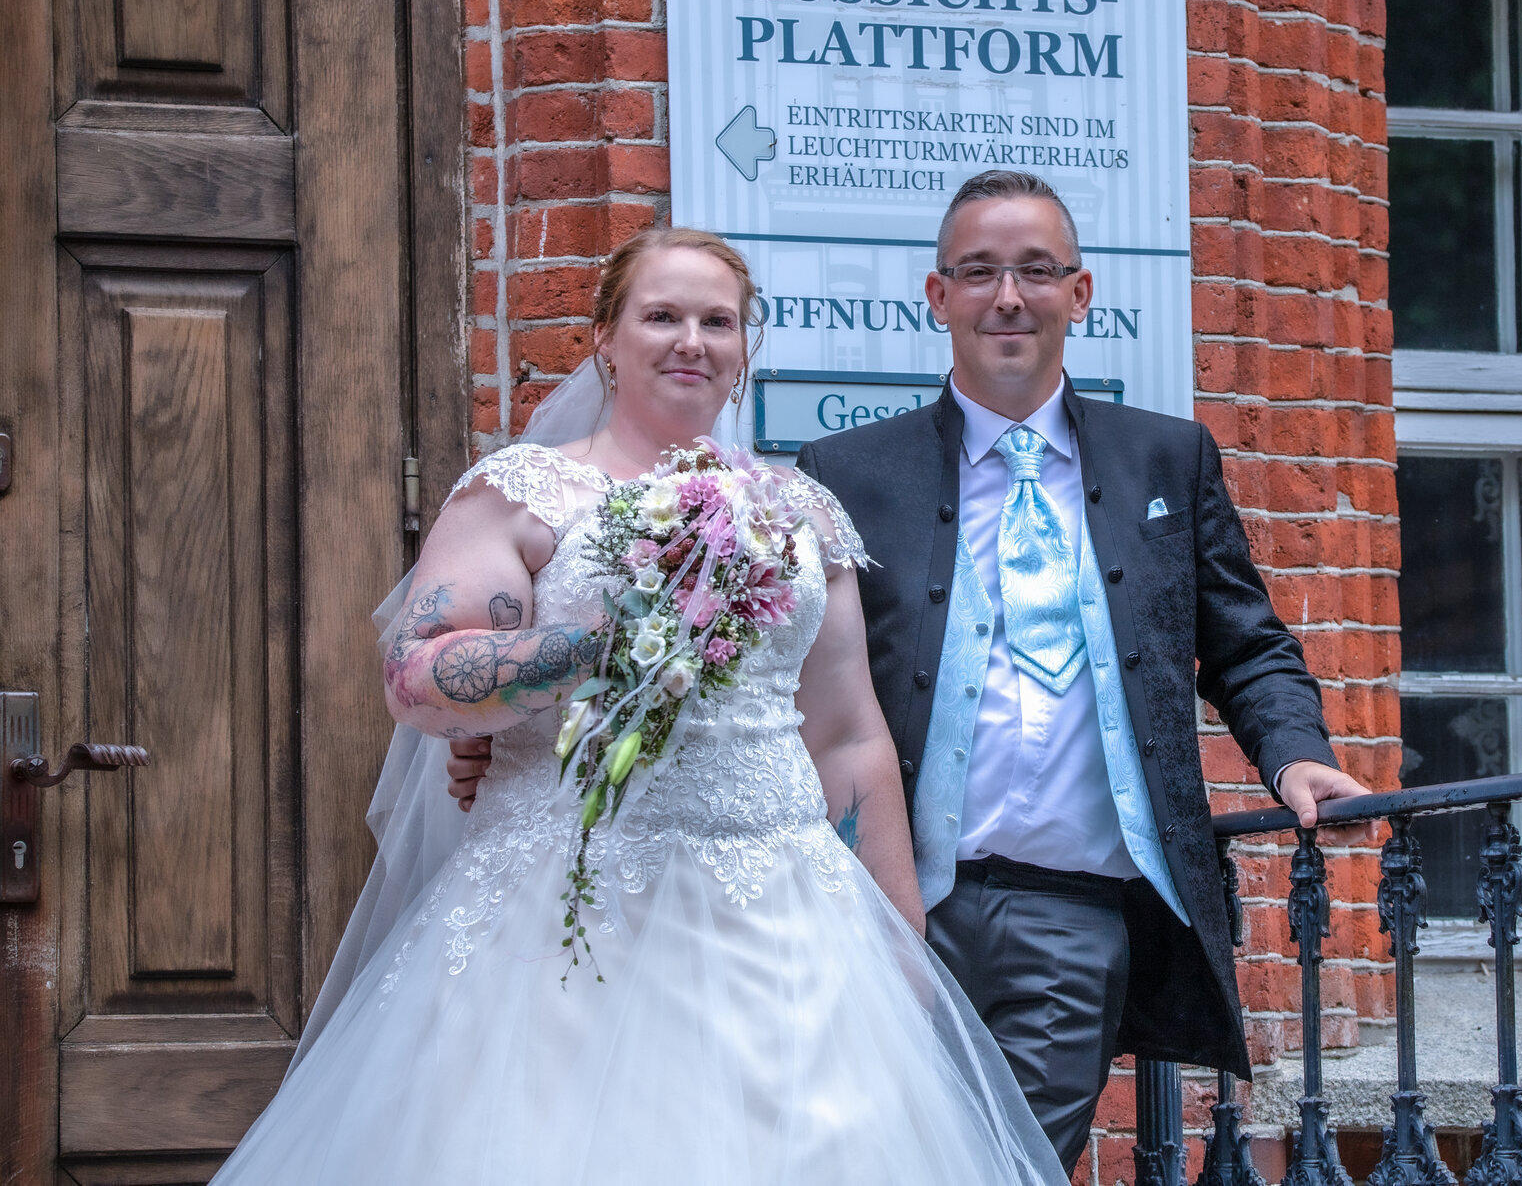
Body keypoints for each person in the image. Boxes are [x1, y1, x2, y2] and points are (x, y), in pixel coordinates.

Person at [212, 227, 1065, 1184]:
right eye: (661, 315)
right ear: (604, 340)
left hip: (779, 920)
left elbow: (849, 733)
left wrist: (901, 947)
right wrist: (594, 644)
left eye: (719, 321)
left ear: (745, 353)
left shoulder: (800, 513)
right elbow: (417, 672)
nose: (690, 340)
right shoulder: (523, 493)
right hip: (565, 920)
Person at [792, 170, 1370, 1171]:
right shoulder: (845, 473)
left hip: (1071, 916)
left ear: (1081, 292)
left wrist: (1294, 752)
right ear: (937, 297)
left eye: (1034, 271)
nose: (1006, 296)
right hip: (886, 905)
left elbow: (1242, 638)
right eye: (977, 272)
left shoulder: (1165, 460)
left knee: (1007, 1164)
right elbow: (788, 680)